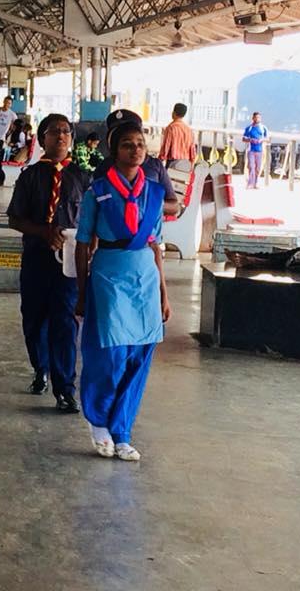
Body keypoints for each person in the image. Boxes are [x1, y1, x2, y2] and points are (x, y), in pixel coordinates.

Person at [75, 118, 170, 462]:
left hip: (144, 277)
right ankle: (99, 422)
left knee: (138, 357)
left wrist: (163, 292)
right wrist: (83, 293)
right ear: (114, 150)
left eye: (141, 144)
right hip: (109, 275)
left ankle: (123, 430)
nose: (136, 150)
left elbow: (156, 244)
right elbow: (83, 244)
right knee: (110, 355)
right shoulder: (96, 192)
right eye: (128, 144)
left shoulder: (155, 193)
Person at [7, 113, 90, 413]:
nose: (61, 136)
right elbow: (15, 218)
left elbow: (90, 219)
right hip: (37, 258)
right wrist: (43, 232)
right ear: (42, 139)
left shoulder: (82, 177)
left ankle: (65, 388)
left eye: (66, 131)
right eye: (54, 132)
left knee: (66, 322)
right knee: (34, 318)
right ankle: (40, 366)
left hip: (69, 263)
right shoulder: (30, 177)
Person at [94, 109, 180, 217]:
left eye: (138, 142)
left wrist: (150, 204)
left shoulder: (155, 166)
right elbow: (93, 202)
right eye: (126, 142)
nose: (134, 148)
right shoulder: (105, 167)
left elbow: (174, 206)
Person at [159, 102, 197, 169]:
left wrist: (159, 160)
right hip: (186, 165)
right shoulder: (189, 130)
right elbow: (193, 152)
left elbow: (166, 148)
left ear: (173, 113)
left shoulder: (171, 128)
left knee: (168, 179)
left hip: (173, 164)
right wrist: (192, 164)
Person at [243, 111, 268, 189]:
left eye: (259, 118)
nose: (257, 119)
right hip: (251, 150)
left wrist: (261, 140)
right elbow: (244, 138)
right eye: (256, 117)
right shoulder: (249, 128)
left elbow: (267, 138)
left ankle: (256, 182)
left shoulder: (263, 128)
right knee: (251, 166)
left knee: (258, 167)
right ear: (253, 118)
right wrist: (250, 140)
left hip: (260, 150)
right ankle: (250, 182)